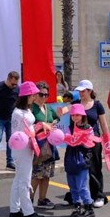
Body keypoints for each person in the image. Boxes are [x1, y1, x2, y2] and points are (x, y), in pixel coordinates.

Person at [8, 81, 45, 217]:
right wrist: (39, 128)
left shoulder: (25, 111)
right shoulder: (18, 113)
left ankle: (14, 211)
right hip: (22, 148)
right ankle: (28, 212)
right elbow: (19, 132)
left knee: (19, 179)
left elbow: (28, 129)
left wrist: (39, 127)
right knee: (24, 180)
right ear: (27, 95)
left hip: (26, 147)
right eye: (33, 94)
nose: (35, 96)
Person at [75, 80, 110, 207]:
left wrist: (107, 140)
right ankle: (80, 196)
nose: (81, 93)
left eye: (83, 91)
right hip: (78, 141)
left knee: (94, 168)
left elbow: (103, 124)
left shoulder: (97, 105)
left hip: (93, 141)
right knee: (78, 168)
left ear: (90, 91)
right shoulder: (76, 104)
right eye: (79, 91)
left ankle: (98, 196)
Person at [31, 82, 61, 210]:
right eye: (41, 94)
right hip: (38, 145)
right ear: (35, 94)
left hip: (49, 144)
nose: (44, 97)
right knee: (37, 175)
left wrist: (52, 123)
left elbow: (56, 118)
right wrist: (41, 125)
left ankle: (42, 199)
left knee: (47, 174)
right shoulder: (31, 108)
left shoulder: (48, 108)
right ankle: (28, 200)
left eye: (46, 94)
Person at [65, 104, 96, 217]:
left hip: (82, 159)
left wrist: (81, 139)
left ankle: (89, 207)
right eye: (73, 115)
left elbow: (90, 143)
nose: (75, 117)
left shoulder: (88, 128)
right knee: (72, 184)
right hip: (71, 159)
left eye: (77, 115)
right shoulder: (70, 127)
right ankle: (77, 206)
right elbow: (66, 138)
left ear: (82, 115)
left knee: (82, 185)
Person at [0, 71, 20, 170]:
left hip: (11, 119)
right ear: (8, 78)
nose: (14, 86)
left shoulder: (17, 89)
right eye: (13, 83)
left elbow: (18, 102)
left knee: (11, 141)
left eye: (16, 83)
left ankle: (10, 162)